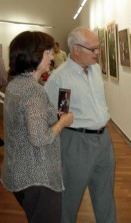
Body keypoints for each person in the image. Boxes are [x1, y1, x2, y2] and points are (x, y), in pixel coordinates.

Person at [45, 27, 117, 223]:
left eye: (98, 48)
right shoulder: (60, 78)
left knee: (105, 195)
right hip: (76, 142)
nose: (97, 53)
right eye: (92, 49)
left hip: (104, 140)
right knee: (70, 198)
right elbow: (55, 114)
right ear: (76, 49)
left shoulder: (95, 70)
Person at [1, 31, 74, 223]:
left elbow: (25, 126)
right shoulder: (33, 91)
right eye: (47, 52)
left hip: (18, 174)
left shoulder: (14, 85)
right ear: (33, 55)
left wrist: (52, 118)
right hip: (38, 177)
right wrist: (62, 122)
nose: (51, 56)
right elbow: (40, 138)